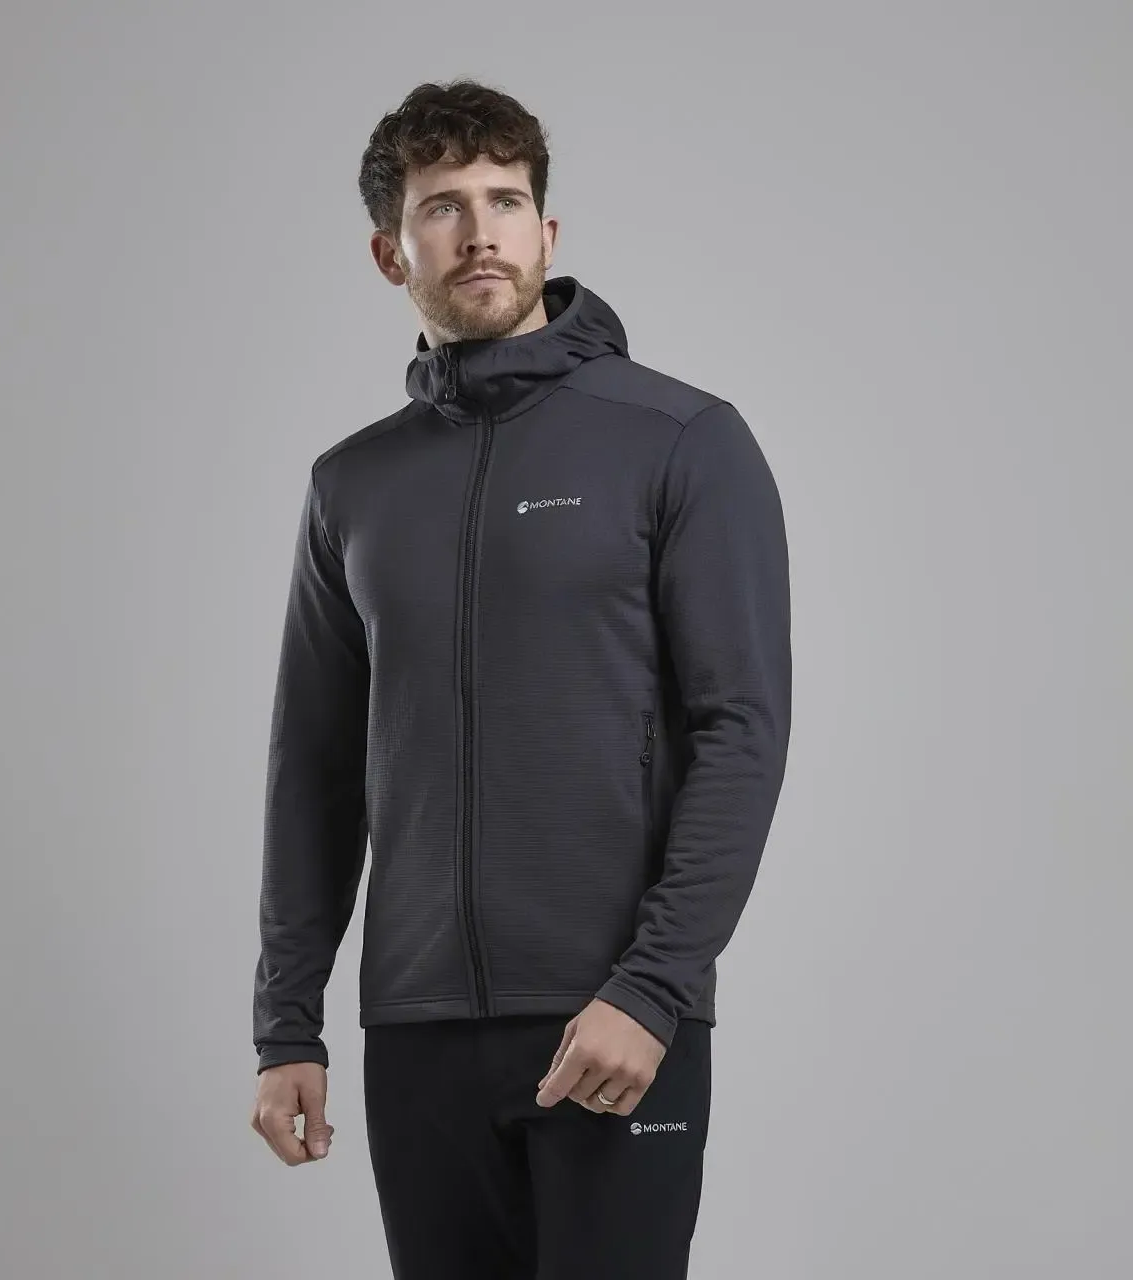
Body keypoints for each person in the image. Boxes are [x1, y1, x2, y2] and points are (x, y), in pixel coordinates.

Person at [249, 77, 792, 1279]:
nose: (480, 231)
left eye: (505, 200)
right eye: (443, 206)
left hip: (611, 1016)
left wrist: (652, 988)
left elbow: (740, 731)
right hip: (417, 1033)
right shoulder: (351, 485)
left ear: (547, 230)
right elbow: (314, 769)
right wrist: (287, 1024)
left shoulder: (680, 440)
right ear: (390, 252)